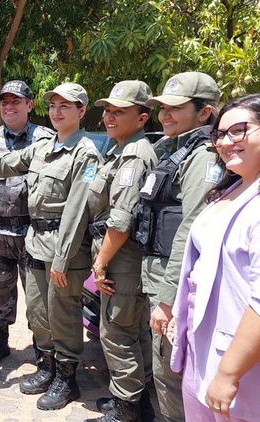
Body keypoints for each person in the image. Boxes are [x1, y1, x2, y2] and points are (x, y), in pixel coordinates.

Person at [0, 82, 102, 411]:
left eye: (65, 106)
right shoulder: (43, 147)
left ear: (81, 111)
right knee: (39, 312)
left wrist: (63, 259)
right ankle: (49, 368)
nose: (57, 111)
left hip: (61, 248)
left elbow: (79, 210)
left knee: (62, 316)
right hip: (35, 241)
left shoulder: (87, 154)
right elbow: (3, 164)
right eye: (53, 105)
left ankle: (67, 379)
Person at [169, 93, 260, 421]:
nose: (225, 142)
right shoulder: (233, 187)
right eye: (220, 134)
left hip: (246, 364)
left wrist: (228, 374)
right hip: (206, 347)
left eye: (238, 130)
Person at [124, 72, 220, 422]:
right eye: (163, 107)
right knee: (160, 368)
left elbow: (190, 229)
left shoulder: (204, 156)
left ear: (205, 112)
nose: (165, 114)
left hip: (173, 283)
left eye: (176, 108)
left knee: (169, 375)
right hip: (157, 275)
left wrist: (167, 300)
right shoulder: (176, 148)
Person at [0, 80, 54, 370]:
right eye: (4, 102)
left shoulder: (46, 139)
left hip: (34, 231)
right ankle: (0, 342)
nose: (9, 106)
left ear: (30, 106)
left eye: (16, 101)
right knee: (0, 291)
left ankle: (43, 348)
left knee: (38, 296)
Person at [85, 81, 158, 421]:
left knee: (117, 336)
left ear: (142, 118)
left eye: (120, 112)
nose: (109, 117)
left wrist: (100, 264)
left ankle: (127, 409)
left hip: (120, 262)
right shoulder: (120, 149)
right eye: (108, 111)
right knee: (131, 333)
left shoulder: (134, 155)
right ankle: (138, 403)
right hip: (119, 258)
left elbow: (121, 219)